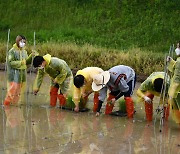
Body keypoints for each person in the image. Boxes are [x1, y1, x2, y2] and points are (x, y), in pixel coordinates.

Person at [4, 35, 37, 105]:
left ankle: (14, 106)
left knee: (18, 92)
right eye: (21, 41)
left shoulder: (24, 51)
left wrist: (31, 56)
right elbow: (10, 62)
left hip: (22, 76)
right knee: (12, 90)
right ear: (17, 41)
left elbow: (27, 62)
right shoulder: (12, 51)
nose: (23, 43)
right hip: (13, 75)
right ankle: (6, 105)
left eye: (24, 42)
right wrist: (21, 62)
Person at [167, 41, 180, 124]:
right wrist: (171, 61)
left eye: (178, 47)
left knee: (177, 105)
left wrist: (172, 93)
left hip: (178, 90)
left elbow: (177, 78)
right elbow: (176, 66)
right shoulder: (178, 60)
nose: (176, 49)